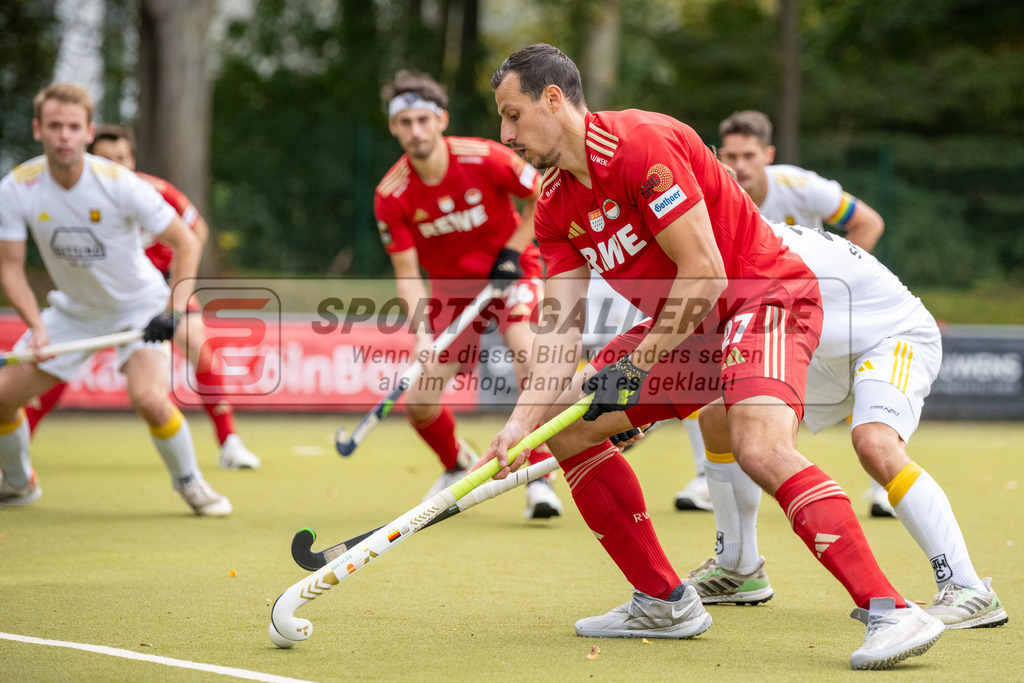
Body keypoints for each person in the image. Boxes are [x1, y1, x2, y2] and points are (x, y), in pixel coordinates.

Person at [482, 43, 943, 669]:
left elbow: (705, 272)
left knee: (760, 447)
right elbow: (561, 335)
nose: (506, 135)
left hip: (763, 296)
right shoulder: (555, 205)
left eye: (513, 115)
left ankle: (890, 609)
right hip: (689, 328)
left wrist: (637, 365)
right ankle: (663, 601)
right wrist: (520, 424)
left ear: (554, 99)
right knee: (566, 422)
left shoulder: (641, 145)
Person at [679, 217, 1006, 630]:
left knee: (875, 442)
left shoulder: (752, 251)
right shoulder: (727, 244)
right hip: (824, 352)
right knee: (719, 419)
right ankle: (738, 568)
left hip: (891, 337)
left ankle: (968, 587)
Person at [0, 83, 231, 516]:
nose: (64, 136)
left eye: (73, 127)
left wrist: (173, 311)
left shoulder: (119, 184)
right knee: (2, 400)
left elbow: (186, 241)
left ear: (88, 132)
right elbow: (9, 267)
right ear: (38, 129)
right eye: (55, 126)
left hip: (138, 306)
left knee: (149, 399)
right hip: (73, 311)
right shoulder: (17, 187)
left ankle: (191, 483)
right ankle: (18, 482)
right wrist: (36, 326)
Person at [373, 70, 561, 519]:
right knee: (420, 401)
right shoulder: (391, 195)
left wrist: (512, 250)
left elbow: (543, 192)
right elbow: (407, 274)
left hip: (512, 272)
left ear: (441, 119)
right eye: (405, 123)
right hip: (454, 294)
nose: (416, 131)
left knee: (528, 356)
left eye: (423, 120)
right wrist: (421, 334)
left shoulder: (484, 157)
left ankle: (539, 477)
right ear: (394, 127)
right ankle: (456, 462)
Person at [22, 124, 261, 471]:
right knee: (58, 361)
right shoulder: (74, 199)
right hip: (99, 295)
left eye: (122, 158)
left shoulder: (156, 192)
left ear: (133, 160)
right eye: (106, 159)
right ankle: (17, 452)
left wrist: (176, 288)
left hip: (159, 289)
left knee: (197, 342)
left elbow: (197, 231)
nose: (116, 166)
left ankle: (229, 442)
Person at [718, 109, 892, 517]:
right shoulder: (718, 193)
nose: (740, 166)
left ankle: (883, 486)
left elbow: (869, 223)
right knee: (714, 384)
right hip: (755, 309)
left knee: (857, 382)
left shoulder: (802, 187)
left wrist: (832, 287)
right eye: (731, 156)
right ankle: (708, 479)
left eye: (748, 156)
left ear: (768, 154)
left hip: (814, 303)